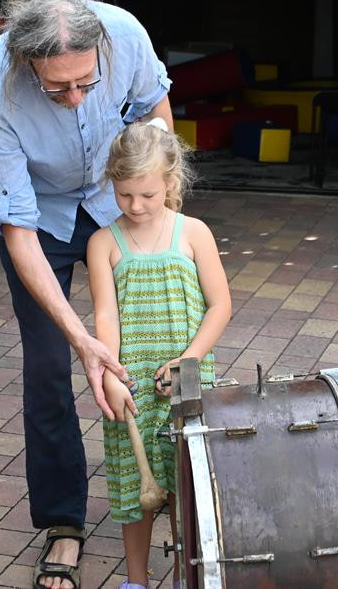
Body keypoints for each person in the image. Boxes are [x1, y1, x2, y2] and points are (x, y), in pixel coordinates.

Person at [0, 0, 173, 589]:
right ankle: (63, 522)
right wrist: (84, 341)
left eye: (87, 83)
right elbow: (18, 227)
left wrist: (166, 215)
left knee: (154, 341)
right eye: (57, 87)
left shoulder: (126, 35)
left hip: (117, 197)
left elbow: (157, 126)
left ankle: (168, 490)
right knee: (50, 367)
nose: (77, 97)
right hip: (41, 214)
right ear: (26, 61)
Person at [87, 120, 231, 589]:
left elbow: (220, 305)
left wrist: (189, 359)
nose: (135, 206)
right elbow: (105, 316)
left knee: (185, 486)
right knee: (136, 487)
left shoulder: (194, 233)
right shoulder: (103, 243)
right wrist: (109, 371)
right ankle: (135, 581)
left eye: (147, 194)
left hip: (186, 383)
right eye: (124, 194)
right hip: (130, 385)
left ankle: (186, 577)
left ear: (170, 181)